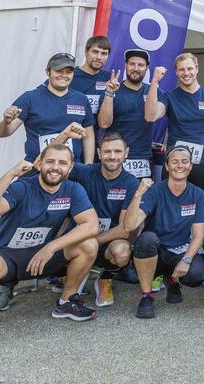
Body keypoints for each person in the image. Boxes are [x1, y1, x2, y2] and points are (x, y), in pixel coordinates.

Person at [0, 145, 99, 331]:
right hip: (7, 255)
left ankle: (67, 301)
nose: (55, 167)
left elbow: (91, 225)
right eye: (50, 161)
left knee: (89, 244)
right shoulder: (22, 187)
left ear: (70, 168)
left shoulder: (73, 189)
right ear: (40, 163)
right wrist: (11, 174)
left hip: (44, 254)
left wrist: (51, 246)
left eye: (62, 163)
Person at [145, 53, 204, 258]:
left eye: (190, 68)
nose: (186, 73)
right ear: (176, 72)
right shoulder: (170, 96)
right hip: (177, 166)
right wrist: (154, 81)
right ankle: (164, 263)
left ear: (197, 69)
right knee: (167, 213)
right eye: (181, 70)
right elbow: (151, 115)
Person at [52, 126, 140, 308]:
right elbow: (47, 161)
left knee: (123, 252)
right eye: (107, 151)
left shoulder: (131, 182)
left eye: (117, 151)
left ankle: (104, 279)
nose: (112, 156)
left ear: (126, 153)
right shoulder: (84, 172)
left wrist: (92, 242)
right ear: (99, 153)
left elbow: (124, 228)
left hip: (107, 241)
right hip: (78, 239)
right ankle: (70, 274)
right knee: (54, 237)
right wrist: (65, 135)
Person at [124, 145, 204, 319]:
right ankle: (147, 296)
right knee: (147, 239)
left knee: (196, 275)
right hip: (156, 251)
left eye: (184, 162)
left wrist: (186, 260)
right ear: (167, 166)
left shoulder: (198, 194)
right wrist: (138, 194)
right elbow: (130, 225)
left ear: (191, 166)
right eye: (175, 162)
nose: (180, 165)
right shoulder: (154, 191)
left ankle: (172, 281)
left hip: (180, 251)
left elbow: (199, 235)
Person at [0, 52, 96, 164]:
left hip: (72, 167)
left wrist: (88, 167)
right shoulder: (30, 98)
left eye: (69, 72)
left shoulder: (81, 99)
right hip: (37, 166)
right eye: (58, 71)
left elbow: (88, 137)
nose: (64, 75)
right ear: (48, 72)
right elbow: (3, 133)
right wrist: (6, 122)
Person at [97, 49, 154, 179]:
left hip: (143, 158)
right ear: (125, 65)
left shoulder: (153, 92)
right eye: (132, 64)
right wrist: (109, 93)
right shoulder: (111, 90)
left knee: (142, 199)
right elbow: (104, 123)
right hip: (114, 158)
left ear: (146, 68)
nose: (136, 68)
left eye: (140, 65)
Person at [68, 36, 112, 116]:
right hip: (72, 127)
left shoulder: (109, 78)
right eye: (95, 52)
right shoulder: (70, 75)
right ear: (86, 52)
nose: (99, 57)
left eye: (104, 53)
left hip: (96, 128)